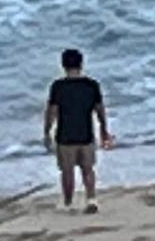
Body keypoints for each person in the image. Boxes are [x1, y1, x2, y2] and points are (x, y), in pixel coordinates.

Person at [40, 50, 108, 210]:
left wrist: (46, 131)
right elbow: (100, 110)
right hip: (86, 134)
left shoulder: (58, 86)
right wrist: (104, 129)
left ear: (63, 65)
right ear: (81, 64)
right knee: (88, 169)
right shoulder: (91, 85)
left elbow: (52, 111)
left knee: (67, 171)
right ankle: (91, 199)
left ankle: (68, 202)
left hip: (65, 135)